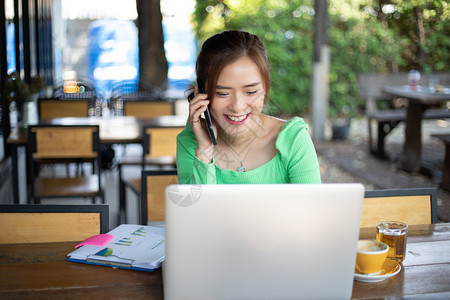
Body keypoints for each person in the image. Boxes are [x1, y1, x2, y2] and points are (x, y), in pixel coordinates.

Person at [177, 30, 321, 184]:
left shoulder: (293, 139)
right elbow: (197, 208)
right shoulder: (192, 142)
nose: (237, 107)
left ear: (265, 88)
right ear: (202, 93)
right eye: (222, 93)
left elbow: (311, 207)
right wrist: (204, 151)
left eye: (251, 92)